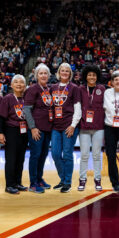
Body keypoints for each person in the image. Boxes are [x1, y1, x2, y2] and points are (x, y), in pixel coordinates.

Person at [51, 63, 81, 193]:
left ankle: (67, 182)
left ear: (70, 74)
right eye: (62, 70)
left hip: (69, 126)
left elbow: (78, 109)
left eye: (67, 71)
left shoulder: (74, 88)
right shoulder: (53, 87)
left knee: (67, 154)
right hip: (55, 126)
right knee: (55, 154)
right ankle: (63, 179)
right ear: (58, 72)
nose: (64, 73)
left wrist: (73, 125)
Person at [0, 75, 28, 194]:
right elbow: (0, 117)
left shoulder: (26, 98)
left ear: (25, 86)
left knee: (20, 159)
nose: (19, 84)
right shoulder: (8, 98)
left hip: (24, 132)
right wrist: (0, 133)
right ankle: (9, 185)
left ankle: (17, 183)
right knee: (11, 159)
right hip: (11, 131)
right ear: (12, 85)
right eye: (16, 82)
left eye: (21, 82)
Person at [23, 64, 53, 193]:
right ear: (36, 76)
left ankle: (40, 178)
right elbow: (26, 110)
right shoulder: (32, 89)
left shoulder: (48, 89)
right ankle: (33, 183)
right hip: (37, 129)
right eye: (41, 73)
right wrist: (33, 127)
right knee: (35, 155)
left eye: (45, 73)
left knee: (43, 154)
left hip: (47, 128)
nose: (43, 75)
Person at [78, 65, 105, 191]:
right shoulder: (80, 89)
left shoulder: (102, 89)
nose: (92, 77)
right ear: (85, 76)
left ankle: (97, 179)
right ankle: (82, 180)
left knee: (96, 155)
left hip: (98, 127)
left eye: (94, 75)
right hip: (84, 126)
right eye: (89, 75)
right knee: (84, 155)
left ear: (97, 76)